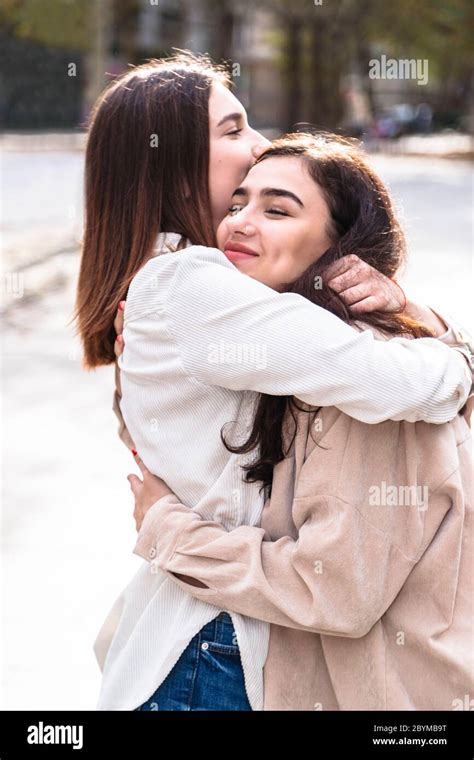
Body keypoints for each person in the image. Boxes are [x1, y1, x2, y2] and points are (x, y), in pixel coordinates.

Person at [74, 53, 473, 711]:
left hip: (211, 639)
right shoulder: (190, 285)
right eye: (232, 130)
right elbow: (384, 379)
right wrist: (457, 355)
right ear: (171, 162)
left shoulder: (178, 285)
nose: (258, 143)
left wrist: (413, 315)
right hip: (217, 649)